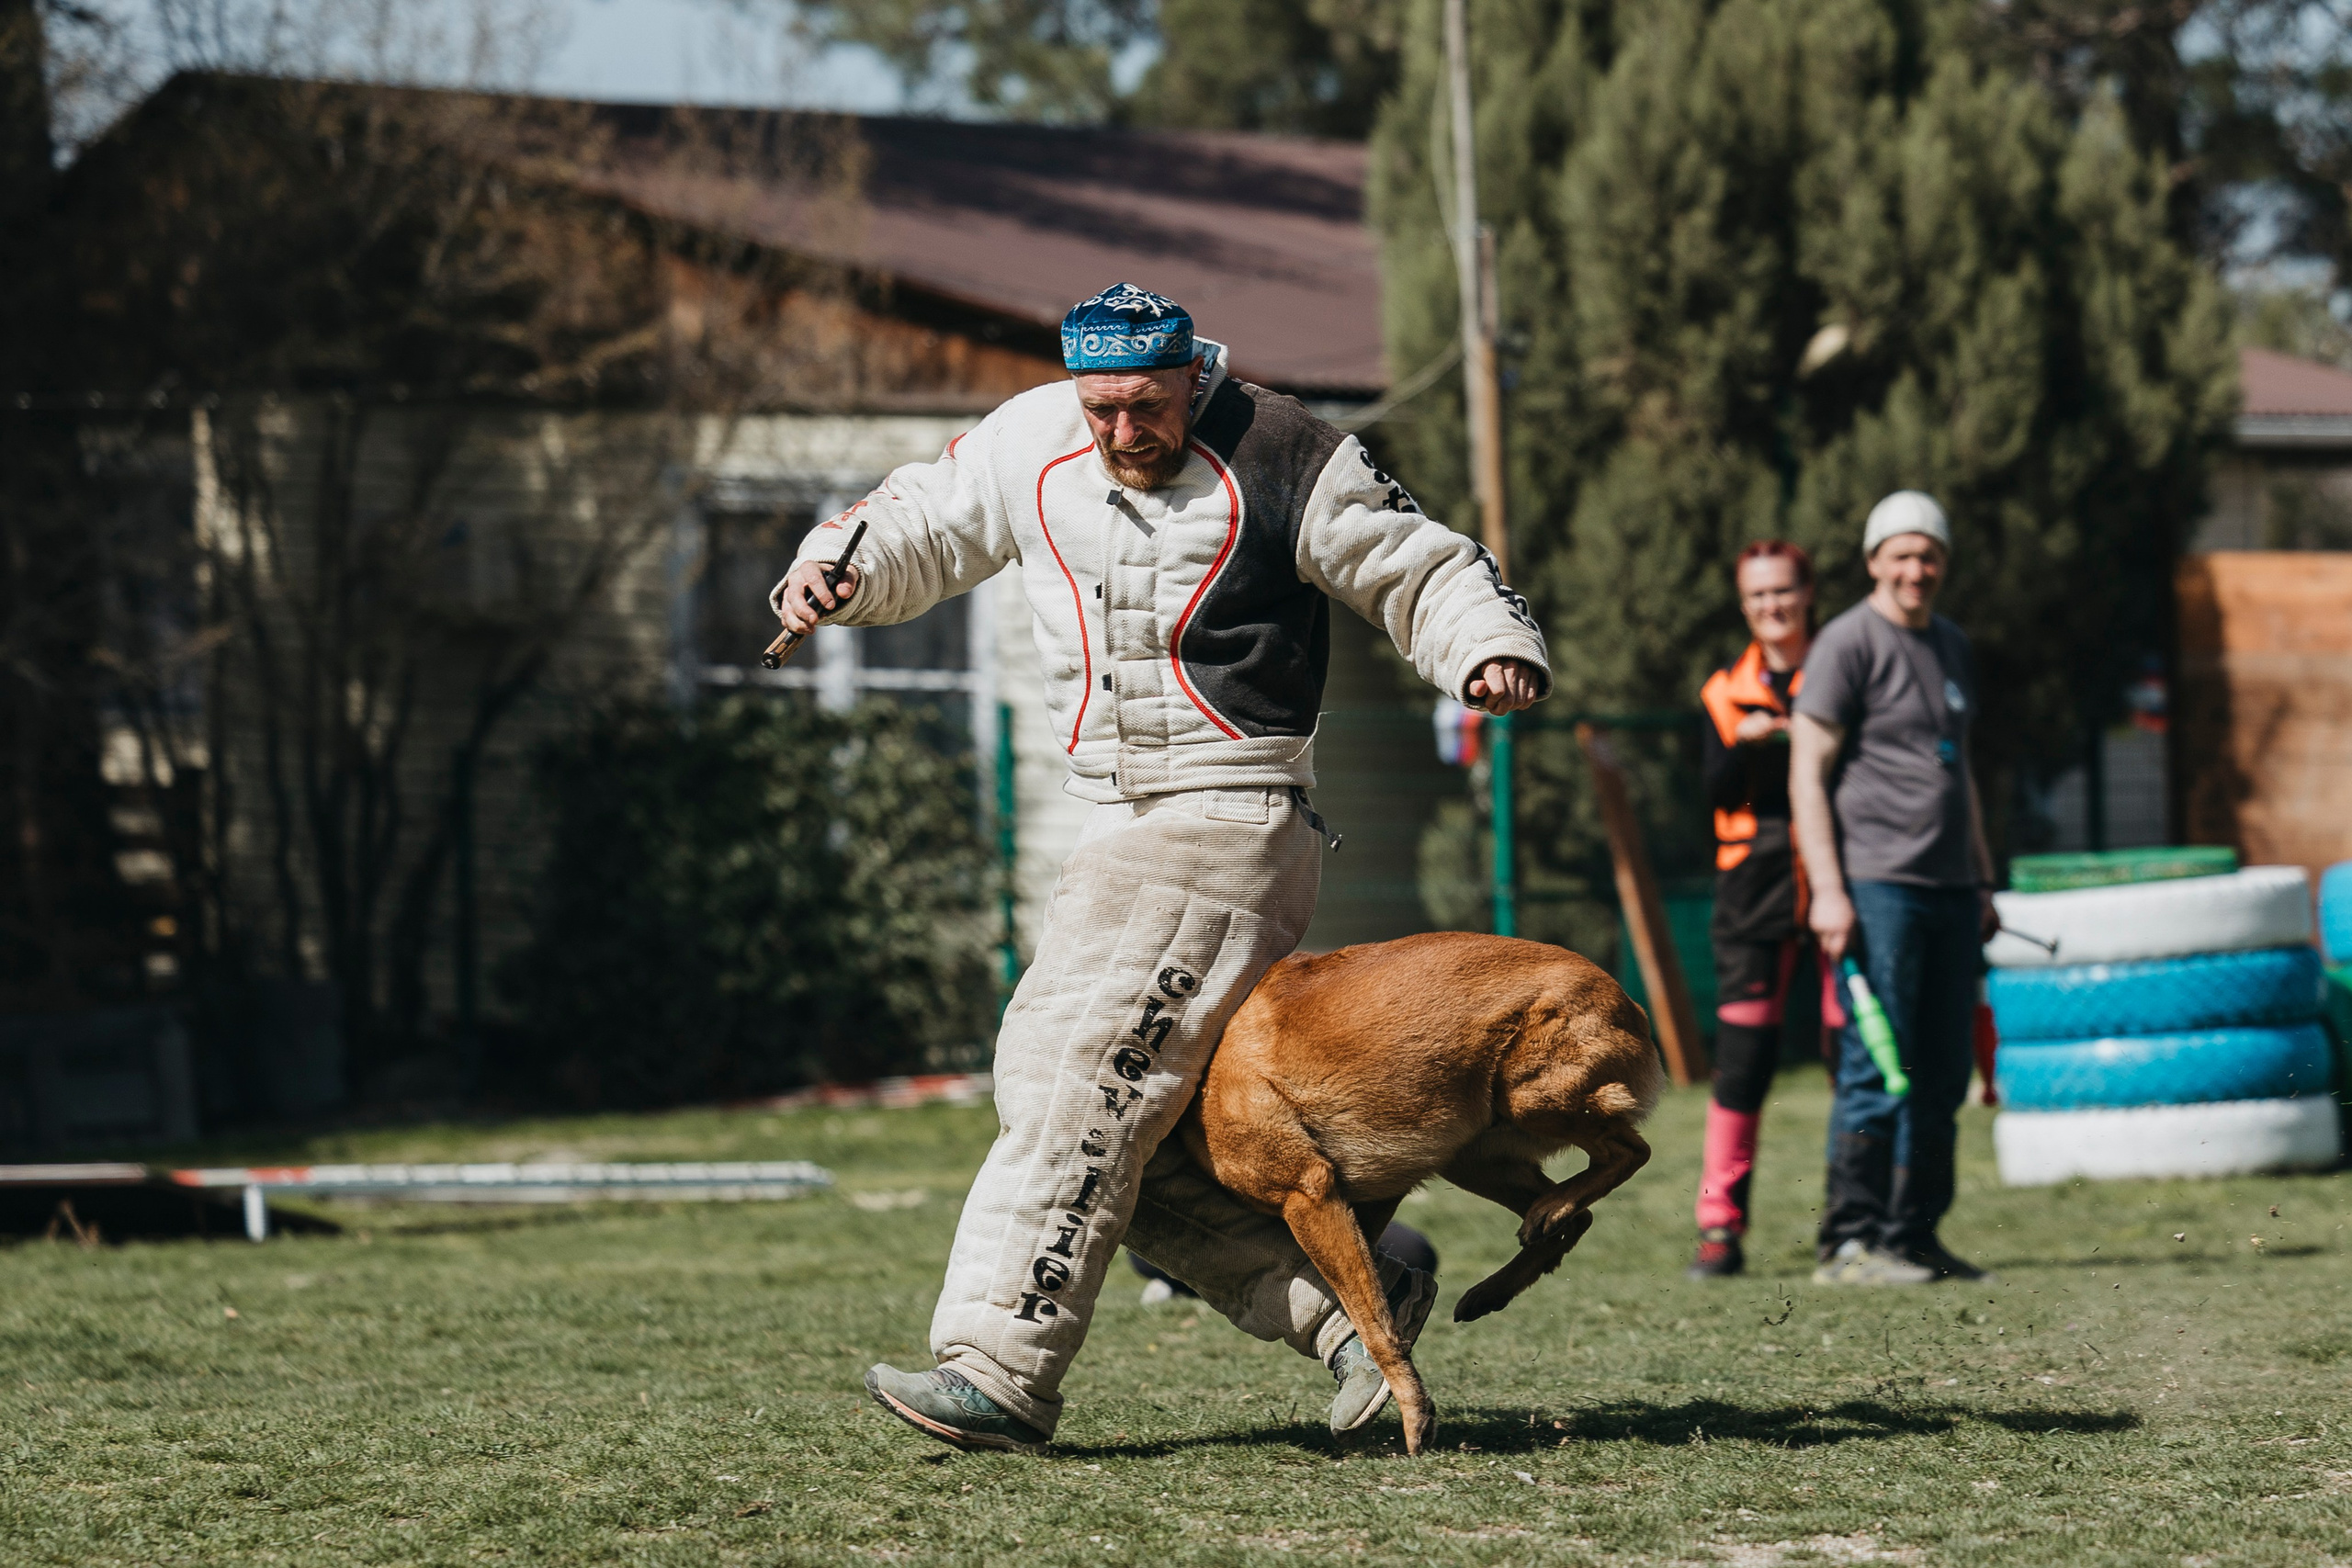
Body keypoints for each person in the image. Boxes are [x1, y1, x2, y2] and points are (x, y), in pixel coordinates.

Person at [768, 282, 1551, 1451]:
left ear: (1194, 375)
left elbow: (1418, 565)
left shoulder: (1288, 451)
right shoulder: (1029, 437)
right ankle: (1355, 1307)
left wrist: (1486, 644)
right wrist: (835, 569)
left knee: (1071, 1075)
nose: (1123, 433)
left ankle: (997, 1367)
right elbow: (921, 521)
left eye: (1146, 406)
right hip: (1114, 828)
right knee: (1131, 1144)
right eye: (1101, 409)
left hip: (1231, 817)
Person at [1789, 491, 1998, 1286]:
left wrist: (1981, 876)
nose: (1917, 568)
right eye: (1902, 554)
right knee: (1879, 1069)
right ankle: (1848, 1242)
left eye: (1929, 554)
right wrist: (1830, 891)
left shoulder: (1951, 646)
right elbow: (1808, 772)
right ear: (1875, 560)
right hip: (1878, 889)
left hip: (1950, 890)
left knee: (1946, 1074)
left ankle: (1913, 1235)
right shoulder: (1847, 643)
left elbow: (1961, 771)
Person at [1688, 541, 1816, 1280]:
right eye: (1759, 595)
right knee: (1743, 1064)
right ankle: (1719, 1227)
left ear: (1807, 595)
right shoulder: (1721, 693)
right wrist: (1750, 745)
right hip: (1755, 889)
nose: (1773, 606)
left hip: (1843, 880)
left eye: (1784, 592)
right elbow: (1718, 794)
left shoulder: (1844, 672)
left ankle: (1859, 1224)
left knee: (1856, 1053)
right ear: (1746, 606)